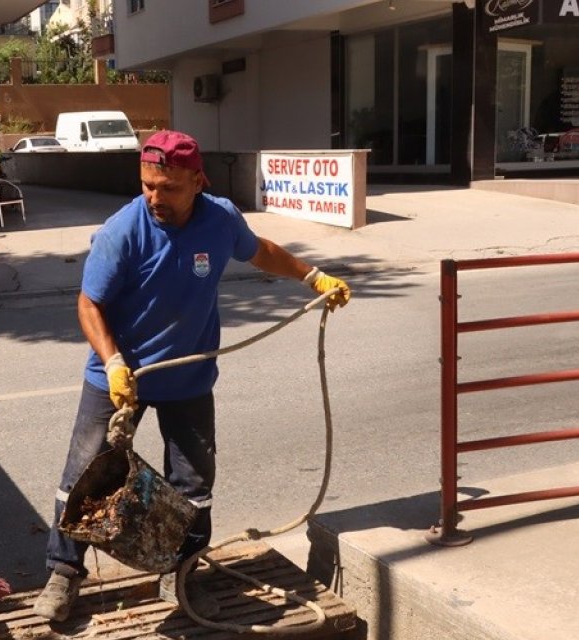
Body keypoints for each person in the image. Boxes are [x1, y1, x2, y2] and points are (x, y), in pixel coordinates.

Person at [33, 130, 351, 622]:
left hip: (189, 379)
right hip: (120, 376)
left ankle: (180, 574)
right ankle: (63, 572)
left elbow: (259, 250)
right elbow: (89, 303)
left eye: (169, 187)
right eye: (147, 185)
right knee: (83, 477)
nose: (155, 197)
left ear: (198, 181)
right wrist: (114, 363)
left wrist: (312, 276)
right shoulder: (124, 231)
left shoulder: (220, 219)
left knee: (193, 486)